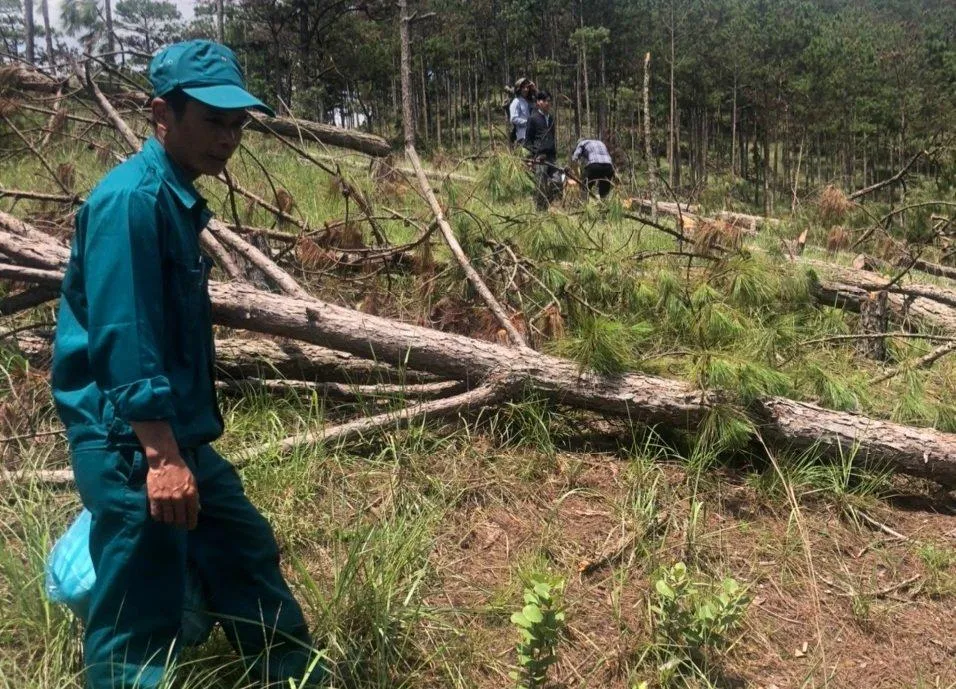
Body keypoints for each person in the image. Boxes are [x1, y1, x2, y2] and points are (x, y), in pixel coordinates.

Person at [50, 40, 324, 689]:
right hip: (132, 442)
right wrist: (162, 455)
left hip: (174, 434)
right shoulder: (131, 204)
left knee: (242, 548)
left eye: (237, 125)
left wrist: (179, 445)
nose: (228, 138)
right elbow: (125, 334)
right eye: (212, 121)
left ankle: (292, 674)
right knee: (140, 602)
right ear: (160, 115)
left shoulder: (170, 199)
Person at [525, 90, 558, 210]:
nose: (548, 103)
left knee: (557, 181)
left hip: (552, 156)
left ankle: (550, 205)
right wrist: (530, 158)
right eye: (545, 101)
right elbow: (528, 140)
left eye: (549, 101)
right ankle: (540, 211)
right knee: (540, 184)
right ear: (539, 102)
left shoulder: (551, 118)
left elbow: (553, 136)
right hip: (539, 157)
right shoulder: (533, 118)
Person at [508, 77, 536, 147]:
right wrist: (527, 122)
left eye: (527, 87)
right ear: (519, 89)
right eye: (523, 87)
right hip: (522, 136)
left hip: (533, 135)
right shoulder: (516, 102)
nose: (526, 90)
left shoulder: (531, 102)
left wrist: (535, 89)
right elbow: (513, 119)